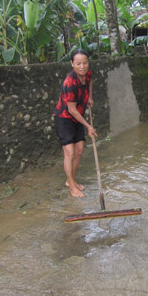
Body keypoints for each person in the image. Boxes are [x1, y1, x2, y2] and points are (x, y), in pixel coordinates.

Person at [54, 49, 97, 198]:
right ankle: (72, 186)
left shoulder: (87, 74)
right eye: (78, 63)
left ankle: (69, 180)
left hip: (77, 115)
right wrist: (88, 126)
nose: (82, 66)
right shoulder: (70, 82)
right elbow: (71, 110)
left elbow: (89, 82)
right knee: (70, 152)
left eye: (85, 63)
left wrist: (89, 97)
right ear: (72, 63)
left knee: (79, 149)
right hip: (65, 118)